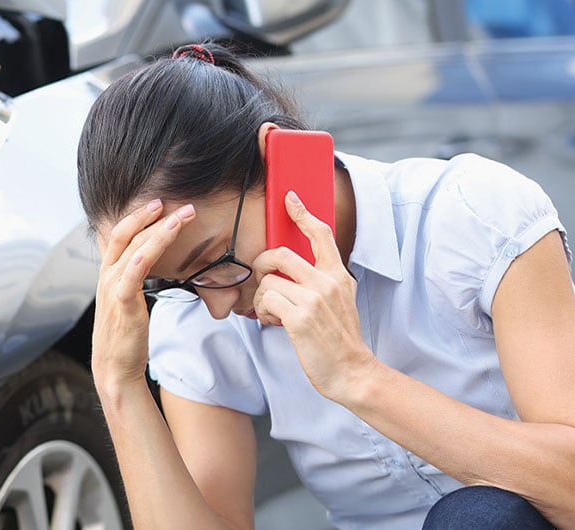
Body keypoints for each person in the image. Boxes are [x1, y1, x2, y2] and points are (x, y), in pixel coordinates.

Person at [77, 42, 575, 529]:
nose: (216, 306)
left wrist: (357, 378)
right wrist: (120, 387)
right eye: (180, 282)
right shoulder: (194, 310)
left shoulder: (470, 215)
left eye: (214, 260)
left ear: (280, 162)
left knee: (483, 516)